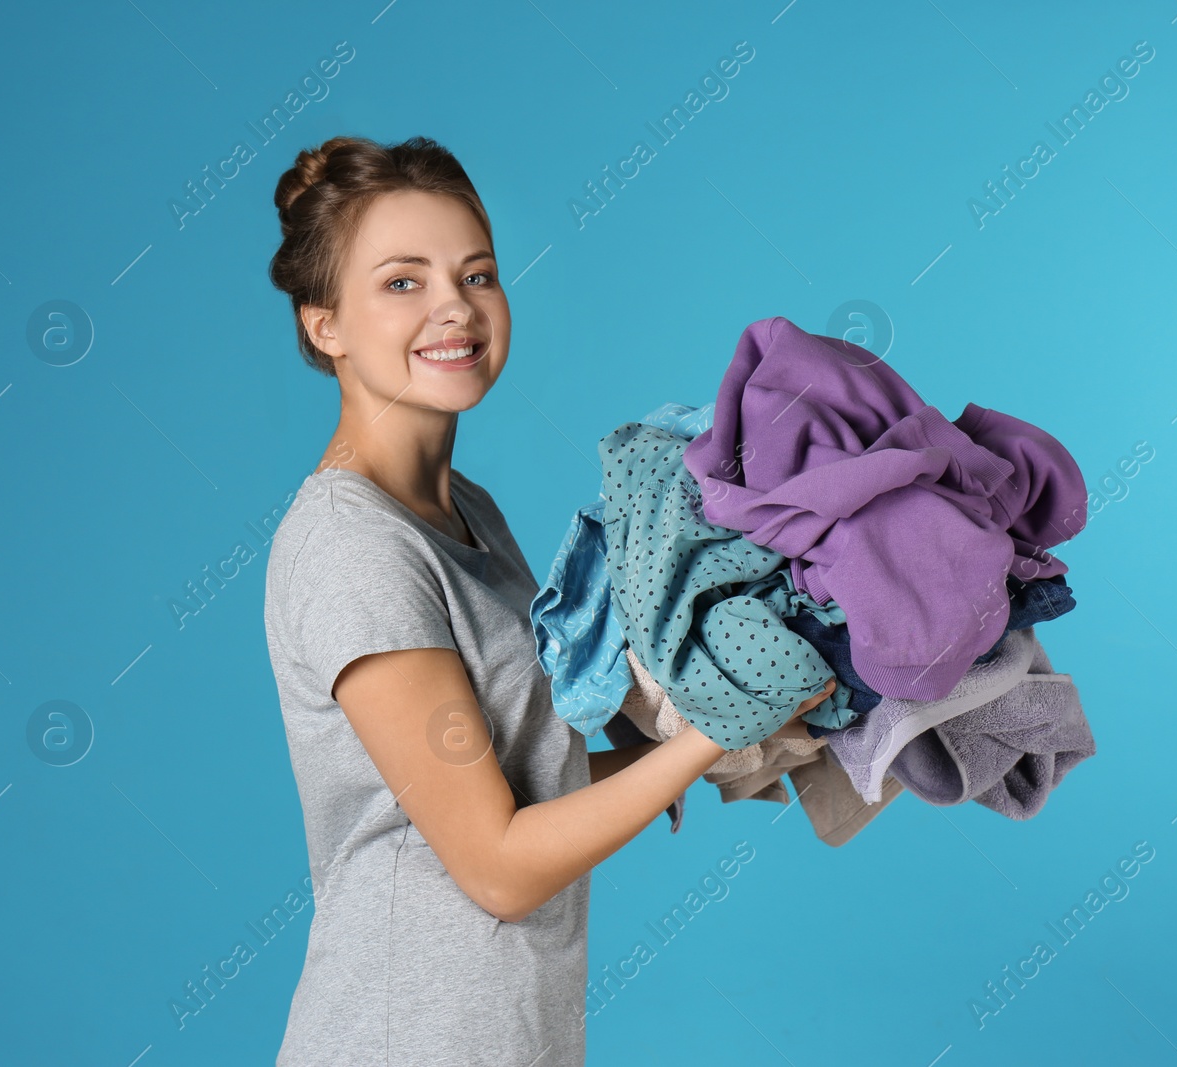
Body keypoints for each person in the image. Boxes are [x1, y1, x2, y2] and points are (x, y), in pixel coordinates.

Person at [260, 134, 831, 1066]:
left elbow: (530, 784)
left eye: (476, 274)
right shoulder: (351, 546)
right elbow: (496, 864)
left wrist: (710, 737)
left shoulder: (465, 510)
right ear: (324, 324)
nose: (455, 307)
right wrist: (714, 730)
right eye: (402, 282)